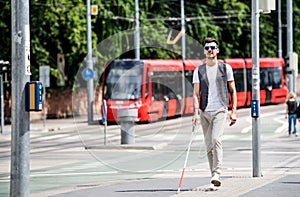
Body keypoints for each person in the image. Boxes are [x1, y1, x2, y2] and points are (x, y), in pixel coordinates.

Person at [192, 37, 237, 190]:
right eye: (207, 48)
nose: (209, 50)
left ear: (217, 50)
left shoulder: (226, 68)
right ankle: (214, 177)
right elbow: (195, 93)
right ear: (204, 51)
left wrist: (234, 111)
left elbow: (232, 90)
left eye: (212, 47)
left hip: (220, 109)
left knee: (216, 139)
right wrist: (195, 113)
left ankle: (217, 172)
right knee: (208, 145)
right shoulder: (199, 70)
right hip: (205, 111)